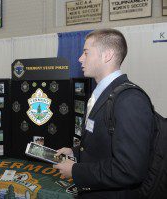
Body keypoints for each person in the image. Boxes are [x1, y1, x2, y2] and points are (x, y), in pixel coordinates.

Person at [54, 29, 153, 198]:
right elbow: (102, 145)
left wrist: (76, 171)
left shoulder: (130, 100)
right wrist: (75, 153)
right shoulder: (104, 93)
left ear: (107, 55)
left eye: (86, 52)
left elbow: (129, 169)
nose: (80, 58)